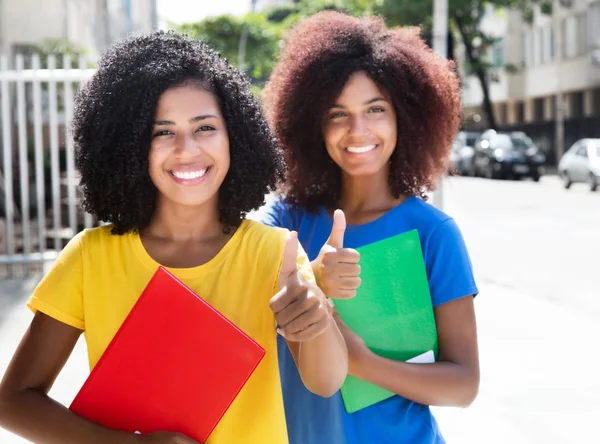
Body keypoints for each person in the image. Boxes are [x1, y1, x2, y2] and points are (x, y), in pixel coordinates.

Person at [0, 31, 347, 444]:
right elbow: (13, 401)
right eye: (162, 132)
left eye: (204, 127)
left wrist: (316, 318)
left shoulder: (274, 253)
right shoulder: (90, 258)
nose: (187, 149)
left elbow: (326, 382)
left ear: (234, 136)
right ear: (128, 147)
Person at [260, 11, 480, 444]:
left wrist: (358, 361)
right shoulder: (286, 219)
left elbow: (464, 384)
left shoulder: (433, 233)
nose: (357, 130)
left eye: (375, 109)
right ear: (313, 125)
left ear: (406, 117)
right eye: (337, 114)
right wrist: (313, 276)